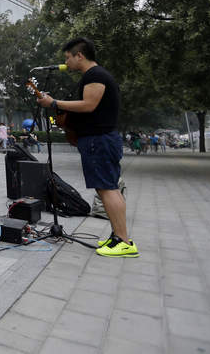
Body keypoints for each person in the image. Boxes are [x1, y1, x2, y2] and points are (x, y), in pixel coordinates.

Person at [36, 37, 137, 258]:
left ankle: (123, 241)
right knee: (107, 188)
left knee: (107, 189)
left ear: (79, 55)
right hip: (98, 140)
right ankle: (119, 237)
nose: (66, 62)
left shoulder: (95, 75)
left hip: (99, 140)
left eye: (67, 57)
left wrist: (54, 103)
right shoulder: (94, 76)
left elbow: (88, 105)